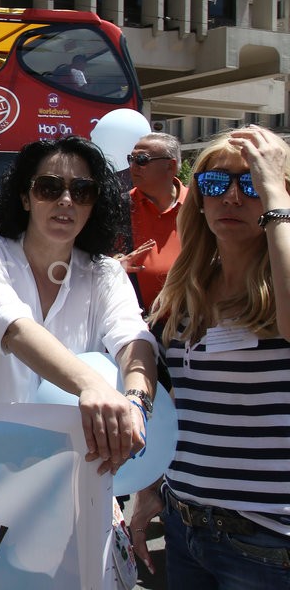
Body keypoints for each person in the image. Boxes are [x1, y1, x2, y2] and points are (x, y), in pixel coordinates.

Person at [128, 126, 290, 589]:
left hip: (269, 542)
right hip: (185, 527)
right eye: (216, 184)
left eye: (252, 182)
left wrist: (276, 189)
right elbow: (175, 401)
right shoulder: (186, 290)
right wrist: (148, 487)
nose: (232, 197)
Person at [0, 136, 157, 476]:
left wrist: (135, 402)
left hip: (63, 475)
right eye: (49, 187)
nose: (66, 200)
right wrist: (93, 386)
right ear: (25, 198)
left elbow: (133, 337)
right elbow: (14, 328)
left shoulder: (103, 273)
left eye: (83, 191)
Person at [120, 133, 187, 313]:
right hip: (140, 327)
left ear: (170, 166)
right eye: (131, 159)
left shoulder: (198, 206)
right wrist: (115, 264)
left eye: (142, 159)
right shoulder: (118, 207)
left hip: (195, 327)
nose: (133, 166)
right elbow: (90, 261)